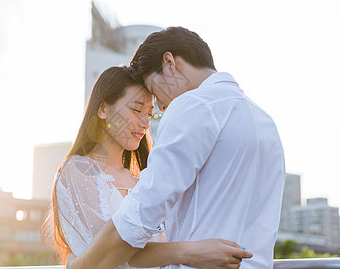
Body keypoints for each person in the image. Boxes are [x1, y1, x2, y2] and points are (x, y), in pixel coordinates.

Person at [66, 27, 286, 269]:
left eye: (153, 91)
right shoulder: (266, 123)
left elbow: (139, 217)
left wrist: (80, 266)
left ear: (170, 63)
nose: (160, 107)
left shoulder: (193, 106)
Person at [51, 65, 252, 269]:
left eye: (149, 114)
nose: (145, 123)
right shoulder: (79, 170)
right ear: (103, 109)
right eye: (136, 109)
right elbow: (110, 254)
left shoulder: (142, 180)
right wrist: (191, 252)